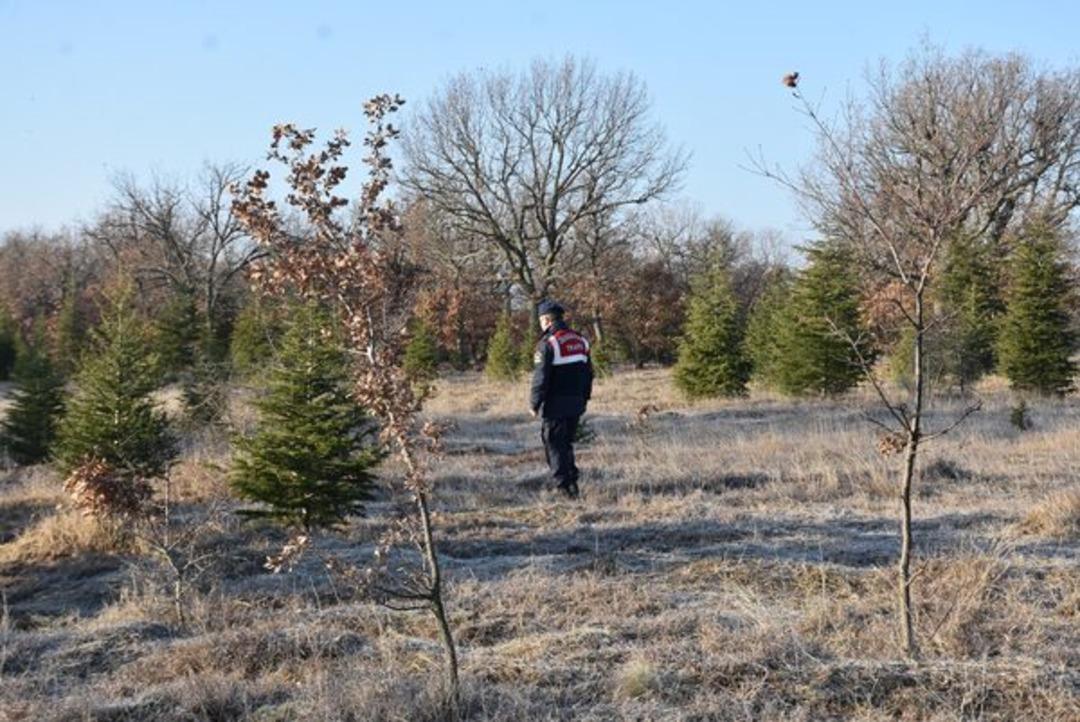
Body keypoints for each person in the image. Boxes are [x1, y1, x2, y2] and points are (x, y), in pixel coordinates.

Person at [529, 300, 593, 499]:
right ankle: (572, 482)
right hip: (577, 402)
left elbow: (541, 377)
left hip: (556, 403)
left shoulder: (549, 343)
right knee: (566, 443)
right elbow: (589, 373)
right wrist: (585, 397)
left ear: (547, 320)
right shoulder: (581, 341)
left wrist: (534, 403)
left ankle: (563, 487)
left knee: (554, 443)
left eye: (541, 320)